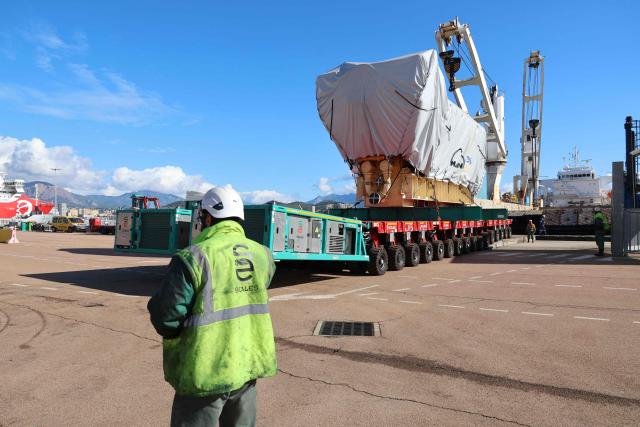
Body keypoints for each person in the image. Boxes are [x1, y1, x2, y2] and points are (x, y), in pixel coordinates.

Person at [148, 186, 277, 427]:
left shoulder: (193, 257)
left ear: (208, 217)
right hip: (246, 368)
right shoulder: (263, 255)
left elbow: (166, 317)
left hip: (205, 373)